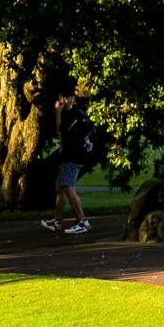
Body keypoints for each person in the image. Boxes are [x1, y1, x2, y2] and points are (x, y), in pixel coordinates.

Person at [40, 93, 99, 235]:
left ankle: (83, 222)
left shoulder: (74, 115)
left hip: (72, 157)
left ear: (74, 99)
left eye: (68, 97)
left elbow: (60, 131)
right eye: (63, 97)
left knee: (68, 188)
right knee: (60, 186)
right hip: (69, 156)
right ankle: (57, 221)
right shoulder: (72, 114)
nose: (65, 100)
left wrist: (58, 112)